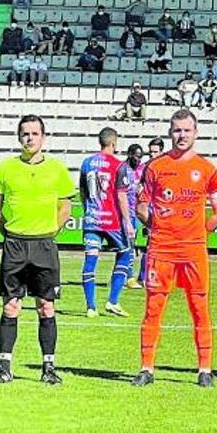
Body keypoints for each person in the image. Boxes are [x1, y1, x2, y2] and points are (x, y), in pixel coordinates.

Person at [132, 110, 217, 388]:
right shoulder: (155, 167)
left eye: (187, 130)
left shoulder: (208, 169)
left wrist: (198, 232)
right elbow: (140, 207)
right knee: (153, 308)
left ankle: (205, 369)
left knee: (199, 308)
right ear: (169, 132)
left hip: (194, 252)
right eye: (176, 130)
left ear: (195, 133)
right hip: (161, 250)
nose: (181, 135)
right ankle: (146, 368)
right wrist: (159, 227)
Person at [0, 115, 75, 385]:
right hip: (14, 244)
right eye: (25, 133)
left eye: (34, 133)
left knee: (46, 306)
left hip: (44, 245)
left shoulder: (58, 170)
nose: (29, 138)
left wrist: (49, 233)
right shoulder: (5, 168)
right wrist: (11, 232)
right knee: (11, 306)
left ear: (43, 137)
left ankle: (48, 368)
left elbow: (65, 208)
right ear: (19, 137)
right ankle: (4, 368)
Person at [79, 128, 133, 319]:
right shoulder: (119, 165)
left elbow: (83, 192)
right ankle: (113, 301)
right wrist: (128, 222)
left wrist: (88, 211)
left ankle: (91, 307)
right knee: (126, 254)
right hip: (112, 222)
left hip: (92, 220)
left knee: (90, 260)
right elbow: (121, 195)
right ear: (114, 143)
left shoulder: (87, 163)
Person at [132, 138, 166, 288]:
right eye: (150, 152)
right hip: (149, 210)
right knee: (150, 243)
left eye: (155, 152)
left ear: (162, 152)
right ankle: (143, 277)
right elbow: (138, 186)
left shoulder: (167, 167)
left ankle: (150, 277)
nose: (152, 155)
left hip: (164, 209)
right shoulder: (144, 168)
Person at [118, 144, 145, 290]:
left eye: (141, 157)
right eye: (136, 156)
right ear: (129, 154)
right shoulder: (122, 169)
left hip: (136, 213)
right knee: (128, 246)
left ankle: (120, 275)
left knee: (130, 245)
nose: (138, 160)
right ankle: (128, 277)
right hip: (124, 213)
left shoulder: (141, 170)